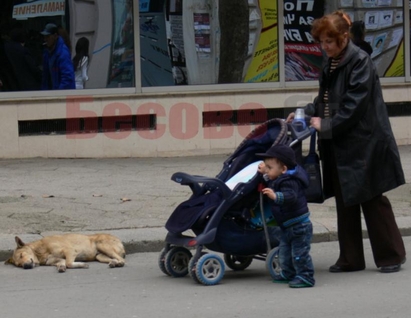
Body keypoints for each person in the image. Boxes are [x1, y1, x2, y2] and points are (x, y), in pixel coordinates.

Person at [286, 10, 406, 273]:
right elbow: (325, 100)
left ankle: (391, 256)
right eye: (321, 42)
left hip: (366, 142)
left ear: (343, 37)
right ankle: (350, 259)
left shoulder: (359, 60)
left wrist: (325, 124)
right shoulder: (332, 62)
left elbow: (354, 105)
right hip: (341, 142)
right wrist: (305, 113)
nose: (324, 47)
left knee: (372, 199)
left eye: (329, 41)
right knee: (345, 199)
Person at [256, 144, 315, 288]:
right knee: (284, 253)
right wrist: (264, 172)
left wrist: (276, 196)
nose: (268, 170)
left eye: (270, 168)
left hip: (299, 225)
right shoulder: (279, 177)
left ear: (283, 169)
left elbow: (291, 196)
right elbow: (271, 179)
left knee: (299, 254)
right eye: (267, 167)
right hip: (287, 225)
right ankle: (288, 273)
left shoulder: (290, 181)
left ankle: (306, 276)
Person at [40, 23, 75, 90]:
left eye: (48, 36)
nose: (45, 39)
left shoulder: (63, 53)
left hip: (62, 95)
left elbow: (67, 78)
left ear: (55, 36)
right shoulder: (47, 53)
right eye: (44, 37)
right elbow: (45, 78)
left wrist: (58, 94)